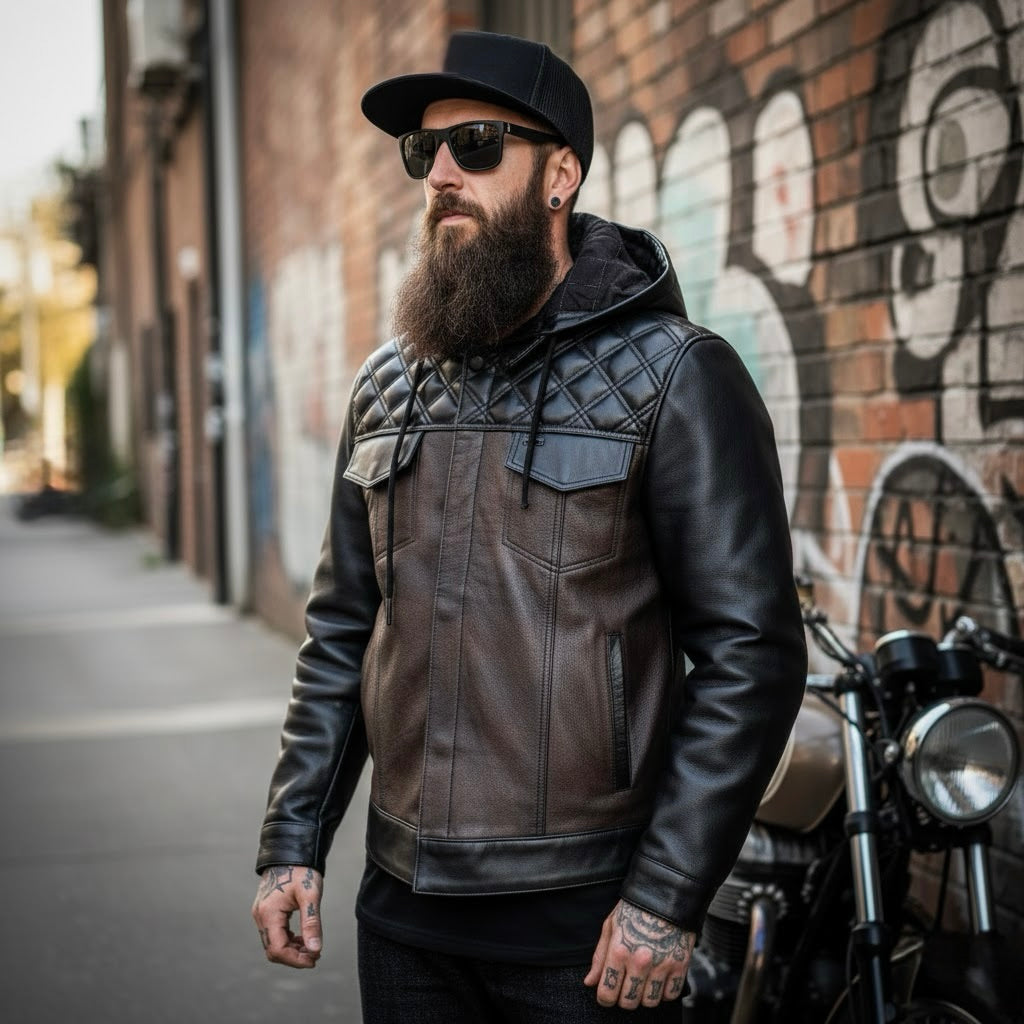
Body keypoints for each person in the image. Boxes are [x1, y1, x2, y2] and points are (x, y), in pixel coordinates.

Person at [252, 29, 807, 1022]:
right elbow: (341, 633)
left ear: (559, 174)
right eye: (424, 153)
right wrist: (293, 841)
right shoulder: (386, 388)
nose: (442, 176)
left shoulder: (677, 377)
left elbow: (750, 653)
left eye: (475, 144)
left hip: (585, 928)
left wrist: (664, 898)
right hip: (405, 913)